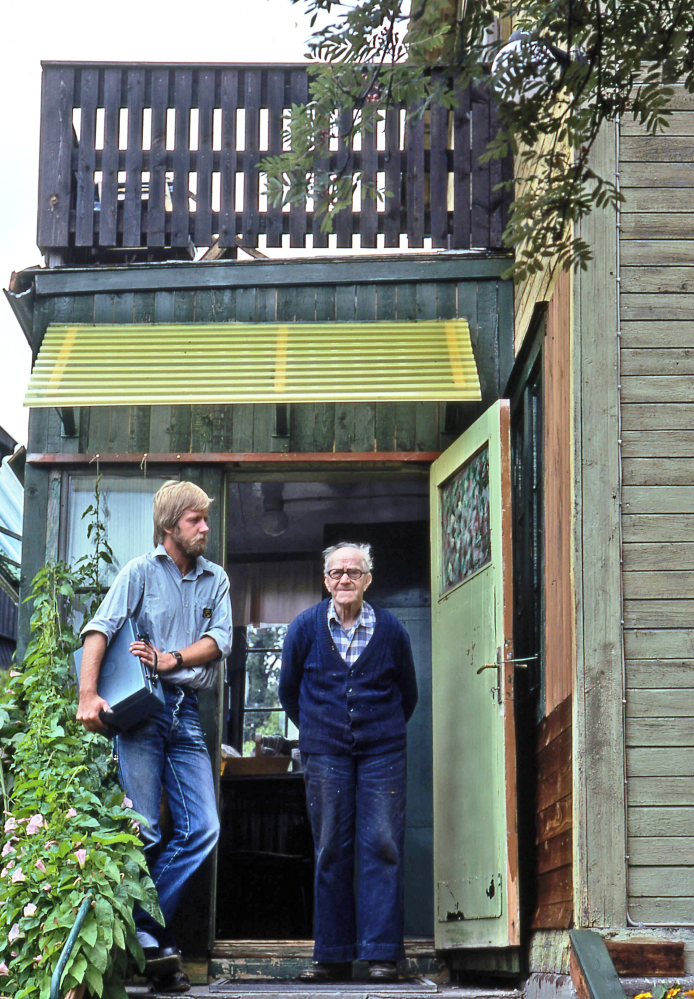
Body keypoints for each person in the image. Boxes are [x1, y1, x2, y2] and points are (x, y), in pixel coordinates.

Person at [77, 481, 232, 994]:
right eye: (194, 520)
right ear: (170, 527)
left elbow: (219, 641)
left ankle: (141, 931)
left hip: (187, 713)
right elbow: (99, 630)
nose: (204, 528)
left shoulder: (216, 578)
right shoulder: (140, 572)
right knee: (143, 830)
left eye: (205, 518)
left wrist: (171, 658)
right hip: (142, 713)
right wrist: (88, 696)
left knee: (202, 829)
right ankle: (157, 949)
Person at [279, 542, 418, 983]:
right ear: (325, 580)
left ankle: (381, 954)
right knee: (330, 850)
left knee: (383, 845)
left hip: (383, 753)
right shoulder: (304, 628)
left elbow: (407, 694)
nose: (344, 579)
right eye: (336, 572)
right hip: (324, 752)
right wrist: (320, 730)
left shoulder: (392, 631)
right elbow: (288, 692)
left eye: (354, 572)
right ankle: (333, 955)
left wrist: (378, 730)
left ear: (368, 580)